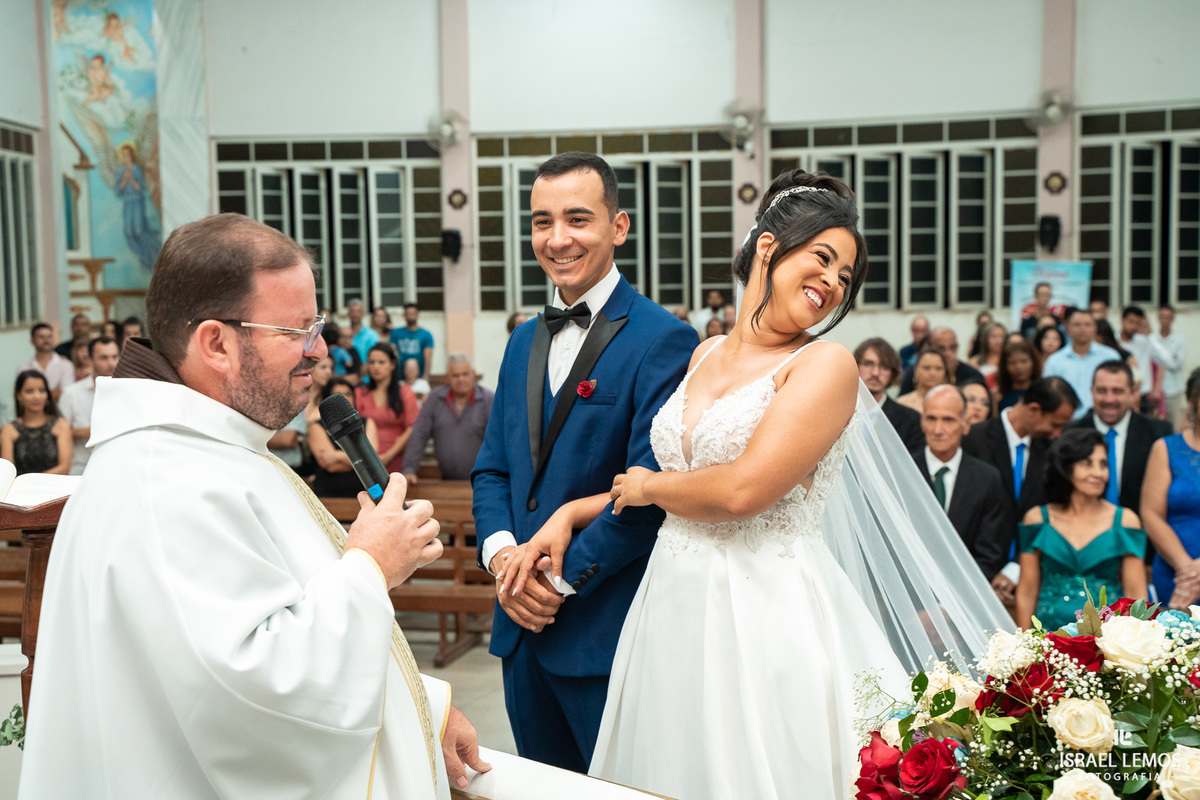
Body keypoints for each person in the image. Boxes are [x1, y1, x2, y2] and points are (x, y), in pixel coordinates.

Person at [503, 170, 1010, 799]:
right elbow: (673, 476)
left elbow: (742, 491)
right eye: (822, 258)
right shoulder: (705, 353)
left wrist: (645, 491)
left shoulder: (826, 365)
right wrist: (571, 513)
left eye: (845, 277)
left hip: (763, 609)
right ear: (767, 247)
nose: (831, 282)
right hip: (672, 603)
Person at [19, 213, 489, 798]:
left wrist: (424, 708)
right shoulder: (166, 484)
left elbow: (279, 621)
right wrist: (370, 567)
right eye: (296, 331)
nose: (319, 351)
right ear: (216, 342)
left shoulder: (211, 449)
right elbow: (256, 700)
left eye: (316, 326)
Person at [471, 152, 698, 772]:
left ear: (619, 226)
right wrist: (503, 564)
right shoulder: (522, 338)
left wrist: (555, 582)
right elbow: (494, 468)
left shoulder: (665, 339)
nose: (558, 238)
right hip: (519, 631)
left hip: (603, 630)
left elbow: (652, 495)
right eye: (542, 222)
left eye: (577, 218)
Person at [963, 377, 1081, 608]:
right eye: (1055, 424)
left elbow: (1052, 514)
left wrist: (1015, 570)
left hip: (1028, 580)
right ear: (1034, 410)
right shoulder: (974, 439)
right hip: (974, 577)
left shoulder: (1052, 452)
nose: (1058, 433)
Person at [1016, 428, 1147, 631]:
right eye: (1087, 463)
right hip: (1048, 639)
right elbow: (1027, 590)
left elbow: (1135, 593)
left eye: (1103, 464)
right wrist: (1023, 646)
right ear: (1065, 468)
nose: (1098, 473)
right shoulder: (1037, 519)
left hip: (1106, 641)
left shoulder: (1125, 521)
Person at [912, 385, 1013, 580]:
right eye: (931, 418)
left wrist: (952, 606)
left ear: (966, 424)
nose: (937, 430)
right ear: (922, 421)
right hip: (908, 600)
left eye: (948, 420)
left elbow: (989, 555)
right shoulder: (901, 471)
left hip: (965, 598)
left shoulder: (987, 479)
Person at [1066, 361, 1173, 517]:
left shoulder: (1158, 433)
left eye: (1117, 391)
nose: (1109, 399)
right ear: (1091, 391)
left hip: (1139, 534)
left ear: (1133, 392)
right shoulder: (1070, 434)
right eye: (1101, 391)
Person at [1143, 368, 1200, 608]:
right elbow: (1151, 514)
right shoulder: (1165, 448)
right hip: (1175, 573)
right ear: (1192, 400)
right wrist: (1187, 570)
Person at [402, 354, 493, 483]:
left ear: (473, 374)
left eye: (465, 374)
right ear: (447, 378)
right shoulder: (435, 398)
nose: (461, 379)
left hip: (483, 482)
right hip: (446, 482)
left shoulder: (488, 400)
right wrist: (409, 469)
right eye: (455, 375)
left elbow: (497, 441)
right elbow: (419, 434)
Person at [1041, 308, 1122, 419]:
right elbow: (1048, 394)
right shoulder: (1055, 361)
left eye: (1087, 324)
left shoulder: (1110, 356)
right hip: (1066, 422)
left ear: (1095, 328)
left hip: (1103, 419)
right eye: (1077, 324)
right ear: (1068, 328)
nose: (1082, 329)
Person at [57, 336, 121, 475]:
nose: (111, 363)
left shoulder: (128, 390)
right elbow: (58, 434)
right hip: (81, 468)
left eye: (115, 357)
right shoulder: (71, 393)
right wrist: (84, 432)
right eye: (104, 358)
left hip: (119, 466)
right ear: (90, 360)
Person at [309, 376, 381, 497]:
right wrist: (361, 459)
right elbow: (330, 466)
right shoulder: (317, 426)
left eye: (348, 394)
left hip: (366, 487)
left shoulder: (367, 422)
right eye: (338, 395)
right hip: (330, 489)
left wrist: (336, 456)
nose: (345, 399)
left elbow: (373, 458)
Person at [355, 343, 419, 473]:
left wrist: (388, 455)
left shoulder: (406, 393)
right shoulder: (359, 393)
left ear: (392, 364)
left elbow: (411, 428)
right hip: (366, 461)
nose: (376, 367)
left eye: (381, 362)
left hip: (397, 458)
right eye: (372, 362)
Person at [854, 337, 923, 451]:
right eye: (868, 364)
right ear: (856, 366)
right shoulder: (838, 412)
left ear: (893, 373)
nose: (875, 373)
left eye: (884, 366)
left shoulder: (909, 419)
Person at [0, 371, 72, 475]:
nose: (37, 396)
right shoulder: (9, 429)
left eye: (42, 390)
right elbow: (7, 472)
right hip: (21, 489)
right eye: (29, 391)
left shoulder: (60, 424)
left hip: (55, 487)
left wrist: (36, 482)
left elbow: (64, 468)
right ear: (19, 396)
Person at [898, 326, 985, 394]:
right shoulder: (914, 373)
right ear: (929, 348)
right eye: (941, 348)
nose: (948, 353)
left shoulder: (973, 375)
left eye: (953, 347)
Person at [1150, 304, 1188, 430]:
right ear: (1158, 318)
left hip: (1174, 390)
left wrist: (1160, 358)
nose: (1164, 320)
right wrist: (1170, 357)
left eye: (1168, 317)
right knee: (1156, 425)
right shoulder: (1151, 340)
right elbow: (1153, 363)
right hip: (1155, 391)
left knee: (1175, 426)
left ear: (1172, 319)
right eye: (1162, 317)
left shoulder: (1179, 340)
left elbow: (1176, 365)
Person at [17, 322, 76, 402]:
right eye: (41, 337)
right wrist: (55, 392)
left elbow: (66, 393)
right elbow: (22, 396)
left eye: (49, 336)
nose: (46, 340)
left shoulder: (66, 365)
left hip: (60, 412)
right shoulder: (24, 368)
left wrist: (34, 394)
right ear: (32, 341)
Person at [896, 348, 950, 414]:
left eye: (938, 368)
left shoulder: (953, 403)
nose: (932, 373)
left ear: (945, 372)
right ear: (916, 370)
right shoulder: (902, 404)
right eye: (926, 368)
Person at [390, 302, 435, 379]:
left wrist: (426, 378)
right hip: (400, 376)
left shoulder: (426, 334)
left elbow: (428, 358)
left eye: (413, 313)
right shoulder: (395, 333)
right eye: (408, 313)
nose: (411, 316)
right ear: (404, 315)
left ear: (417, 314)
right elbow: (391, 353)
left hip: (419, 377)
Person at [996, 339, 1041, 412]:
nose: (1018, 367)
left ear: (1033, 363)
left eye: (1024, 361)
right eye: (1012, 363)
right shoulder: (998, 397)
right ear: (1005, 367)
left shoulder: (1043, 393)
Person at [968, 321, 1006, 391]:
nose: (999, 340)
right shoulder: (974, 362)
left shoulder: (1009, 360)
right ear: (985, 339)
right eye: (994, 337)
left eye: (1002, 336)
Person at [345, 298, 379, 363]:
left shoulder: (372, 335)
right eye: (352, 311)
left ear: (363, 313)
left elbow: (376, 356)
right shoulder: (343, 334)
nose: (355, 314)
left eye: (358, 311)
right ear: (348, 313)